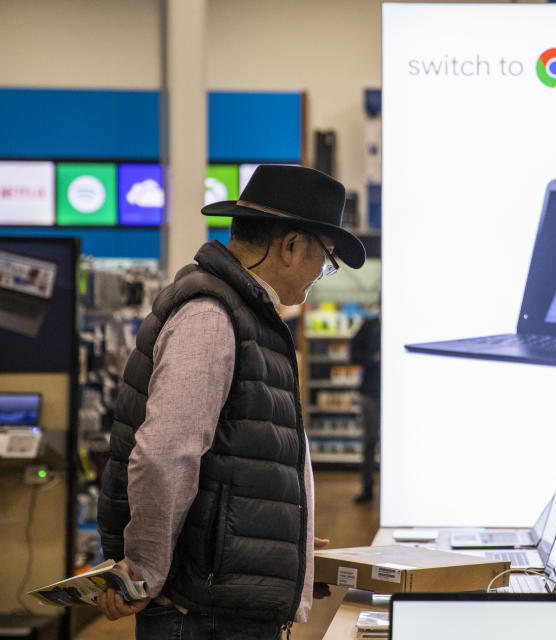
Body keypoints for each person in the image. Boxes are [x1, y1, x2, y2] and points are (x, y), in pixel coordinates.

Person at [95, 165, 365, 639]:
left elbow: (238, 463)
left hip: (217, 602)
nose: (324, 274)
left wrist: (287, 549)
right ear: (291, 245)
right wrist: (143, 570)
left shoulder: (245, 314)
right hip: (201, 613)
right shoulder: (211, 315)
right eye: (327, 260)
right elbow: (165, 455)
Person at [350, 311, 380, 504]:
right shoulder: (369, 326)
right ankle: (367, 488)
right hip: (371, 392)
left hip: (398, 393)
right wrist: (372, 358)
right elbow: (353, 355)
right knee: (369, 441)